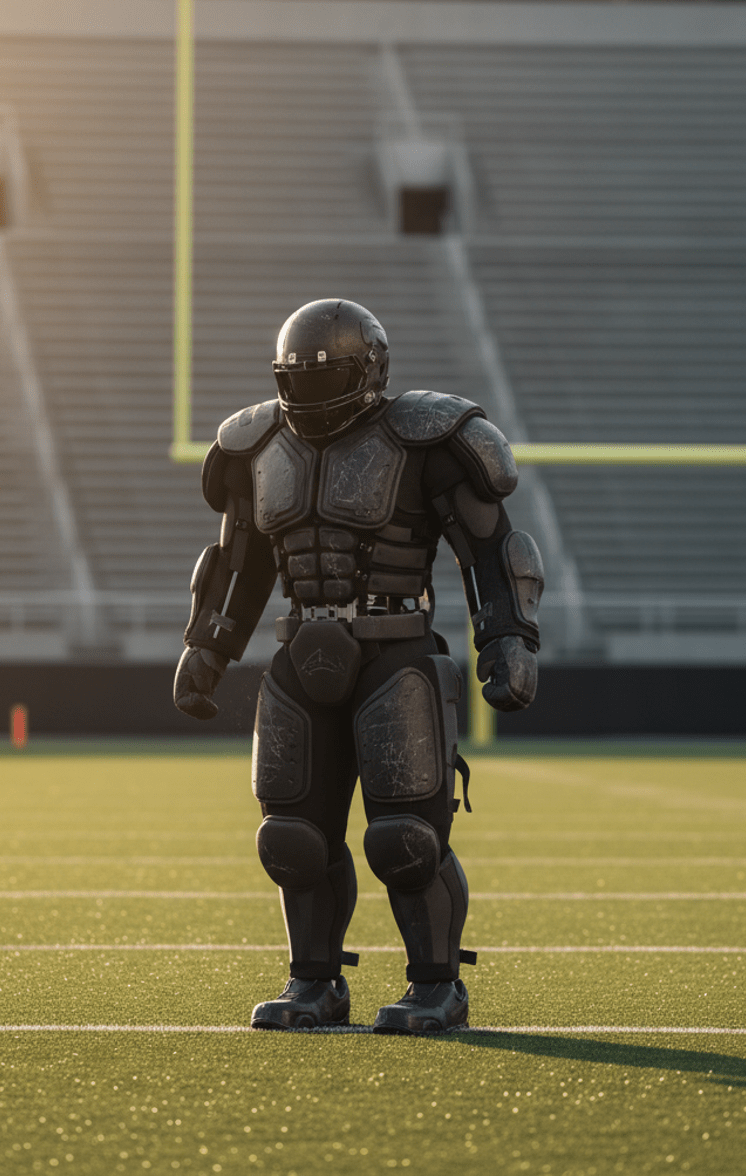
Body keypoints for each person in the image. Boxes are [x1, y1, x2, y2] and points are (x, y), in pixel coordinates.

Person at [174, 298, 543, 1034]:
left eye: (326, 375)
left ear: (368, 368)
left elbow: (492, 550)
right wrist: (207, 646)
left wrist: (507, 639)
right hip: (297, 649)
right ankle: (314, 981)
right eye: (295, 377)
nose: (307, 392)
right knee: (292, 837)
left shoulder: (427, 437)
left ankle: (437, 985)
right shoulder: (255, 446)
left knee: (406, 838)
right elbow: (238, 565)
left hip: (394, 650)